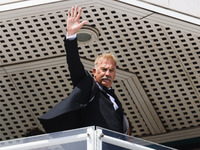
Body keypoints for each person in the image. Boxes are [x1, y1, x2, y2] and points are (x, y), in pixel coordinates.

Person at [39, 6, 129, 135]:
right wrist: (71, 35)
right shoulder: (88, 85)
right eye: (103, 69)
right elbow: (74, 63)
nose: (107, 74)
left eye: (111, 70)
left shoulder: (113, 98)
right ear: (94, 71)